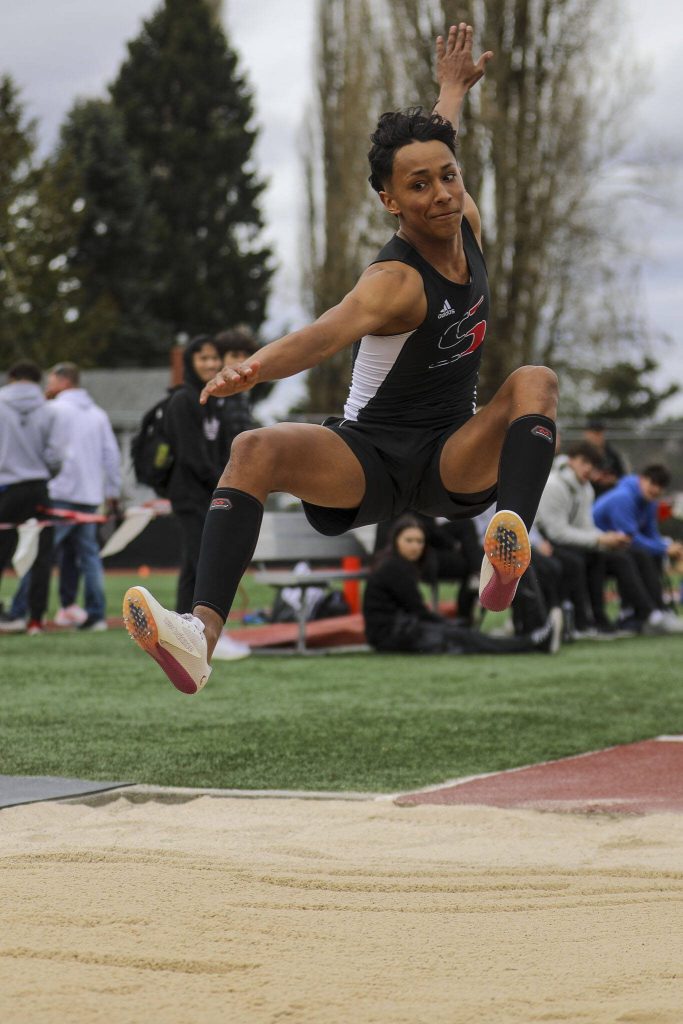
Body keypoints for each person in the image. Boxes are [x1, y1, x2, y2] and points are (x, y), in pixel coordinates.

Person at [123, 24, 559, 694]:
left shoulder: (465, 219)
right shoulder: (393, 282)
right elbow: (324, 333)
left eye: (448, 178)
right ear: (389, 202)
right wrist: (255, 366)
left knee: (534, 380)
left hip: (452, 456)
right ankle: (198, 637)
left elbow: (433, 145)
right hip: (369, 460)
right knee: (254, 449)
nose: (439, 194)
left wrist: (449, 90)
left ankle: (506, 555)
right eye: (418, 187)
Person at [8, 362, 123, 631]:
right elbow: (111, 455)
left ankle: (19, 610)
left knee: (40, 555)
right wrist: (112, 492)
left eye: (50, 381)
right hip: (89, 496)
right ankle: (94, 615)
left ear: (63, 381)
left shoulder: (51, 410)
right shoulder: (98, 414)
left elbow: (45, 450)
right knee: (89, 557)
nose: (47, 387)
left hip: (59, 494)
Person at [163, 335, 250, 660]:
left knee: (193, 564)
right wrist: (223, 480)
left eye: (215, 359)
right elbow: (190, 455)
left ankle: (183, 633)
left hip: (208, 491)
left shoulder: (213, 398)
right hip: (190, 494)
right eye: (203, 359)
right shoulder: (183, 400)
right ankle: (205, 635)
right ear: (190, 362)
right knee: (205, 562)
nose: (211, 365)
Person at [363, 516, 561, 654]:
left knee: (463, 636)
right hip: (392, 635)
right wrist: (450, 624)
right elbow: (418, 611)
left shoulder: (398, 565)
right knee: (462, 637)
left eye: (420, 541)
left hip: (397, 631)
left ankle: (529, 642)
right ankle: (528, 643)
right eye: (409, 540)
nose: (415, 546)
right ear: (395, 541)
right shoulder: (394, 568)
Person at [534, 441, 665, 636]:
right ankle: (582, 621)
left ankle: (615, 617)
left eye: (592, 465)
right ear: (571, 461)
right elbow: (556, 532)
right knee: (580, 560)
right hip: (544, 543)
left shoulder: (586, 488)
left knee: (610, 556)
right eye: (584, 462)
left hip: (570, 543)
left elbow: (586, 526)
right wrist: (599, 540)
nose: (588, 468)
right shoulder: (554, 485)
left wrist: (605, 539)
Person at [0, 360, 62, 635]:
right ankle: (35, 619)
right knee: (40, 556)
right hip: (37, 488)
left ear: (12, 377)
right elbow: (55, 455)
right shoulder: (48, 409)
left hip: (5, 488)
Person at [593, 464, 683, 633]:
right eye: (653, 483)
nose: (656, 489)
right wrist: (665, 549)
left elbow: (651, 534)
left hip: (618, 550)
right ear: (642, 479)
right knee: (640, 555)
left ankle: (657, 610)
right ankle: (642, 614)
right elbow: (631, 539)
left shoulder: (650, 501)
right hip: (596, 550)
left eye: (661, 486)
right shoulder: (623, 497)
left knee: (650, 555)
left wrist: (666, 546)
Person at [583, 417, 628, 497]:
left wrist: (610, 479)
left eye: (600, 432)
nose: (597, 436)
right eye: (594, 432)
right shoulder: (580, 453)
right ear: (587, 434)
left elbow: (622, 477)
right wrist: (589, 475)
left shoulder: (611, 454)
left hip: (608, 495)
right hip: (586, 496)